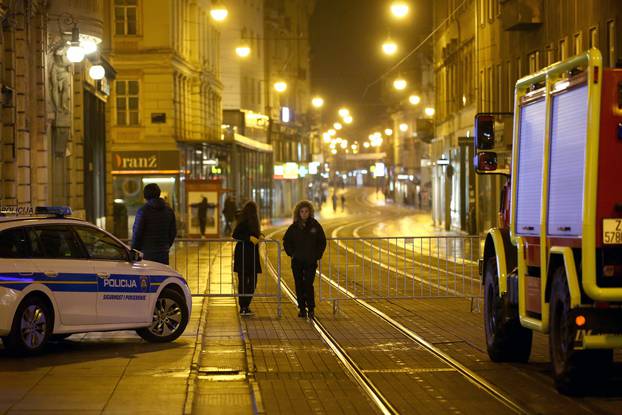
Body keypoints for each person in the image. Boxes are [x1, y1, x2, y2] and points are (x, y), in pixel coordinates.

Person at [283, 200, 327, 319]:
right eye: (302, 211)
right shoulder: (294, 227)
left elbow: (322, 241)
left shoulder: (315, 225)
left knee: (308, 284)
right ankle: (302, 308)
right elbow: (286, 241)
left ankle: (311, 308)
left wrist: (317, 255)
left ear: (310, 212)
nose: (304, 214)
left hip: (310, 261)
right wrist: (292, 254)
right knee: (299, 284)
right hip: (297, 261)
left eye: (306, 211)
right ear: (298, 213)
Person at [131, 183, 177, 265]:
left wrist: (134, 250)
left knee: (147, 277)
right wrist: (166, 246)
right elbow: (173, 232)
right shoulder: (169, 211)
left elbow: (137, 233)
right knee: (162, 276)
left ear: (145, 196)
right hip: (163, 253)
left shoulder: (143, 211)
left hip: (146, 254)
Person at [232, 201, 262, 315]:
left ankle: (245, 305)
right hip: (243, 255)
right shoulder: (243, 221)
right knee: (245, 282)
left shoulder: (253, 222)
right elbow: (235, 234)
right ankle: (244, 306)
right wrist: (249, 238)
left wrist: (260, 235)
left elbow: (254, 233)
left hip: (251, 255)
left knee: (251, 282)